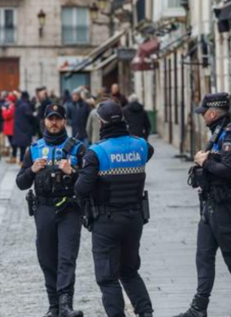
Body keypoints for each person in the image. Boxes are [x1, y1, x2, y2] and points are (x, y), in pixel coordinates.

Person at [174, 93, 231, 317]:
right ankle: (199, 308)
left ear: (212, 113)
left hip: (226, 206)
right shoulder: (217, 135)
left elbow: (230, 171)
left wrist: (205, 161)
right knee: (203, 256)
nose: (202, 117)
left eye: (204, 114)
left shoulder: (230, 138)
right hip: (210, 205)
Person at [75, 99, 154, 317]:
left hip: (106, 221)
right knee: (129, 272)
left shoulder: (96, 152)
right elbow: (150, 151)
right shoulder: (140, 145)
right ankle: (146, 313)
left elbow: (81, 189)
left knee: (107, 278)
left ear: (101, 122)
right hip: (135, 218)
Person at [16, 104, 86, 317]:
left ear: (65, 121)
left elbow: (89, 182)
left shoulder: (78, 148)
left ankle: (66, 305)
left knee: (66, 257)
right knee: (47, 258)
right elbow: (21, 183)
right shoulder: (34, 149)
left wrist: (72, 171)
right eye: (50, 118)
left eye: (58, 118)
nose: (54, 123)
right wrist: (32, 169)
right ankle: (53, 306)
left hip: (70, 210)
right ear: (44, 121)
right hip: (44, 209)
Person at [13, 91, 35, 162]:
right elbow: (29, 116)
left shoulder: (18, 104)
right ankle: (22, 160)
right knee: (24, 146)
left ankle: (21, 160)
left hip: (19, 127)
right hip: (25, 128)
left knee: (22, 146)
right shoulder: (25, 105)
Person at [2, 93, 17, 163]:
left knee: (12, 143)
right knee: (12, 143)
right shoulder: (11, 107)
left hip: (10, 128)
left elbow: (6, 116)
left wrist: (4, 110)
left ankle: (14, 156)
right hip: (9, 127)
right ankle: (13, 156)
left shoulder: (12, 107)